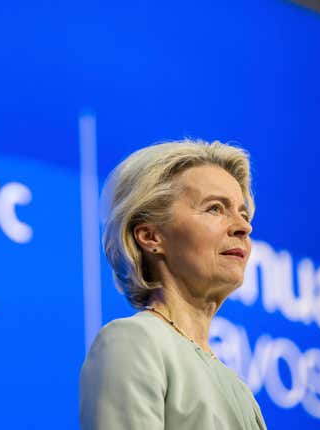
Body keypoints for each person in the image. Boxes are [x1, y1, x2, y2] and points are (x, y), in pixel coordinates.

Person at [79, 139, 267, 429]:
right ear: (151, 236)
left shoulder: (240, 391)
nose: (244, 227)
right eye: (215, 209)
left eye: (243, 214)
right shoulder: (135, 341)